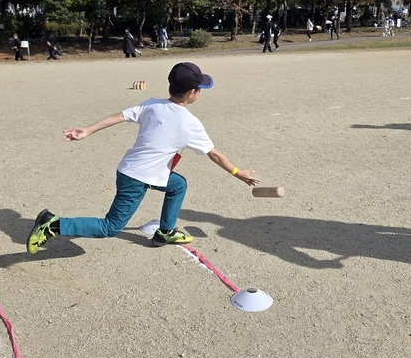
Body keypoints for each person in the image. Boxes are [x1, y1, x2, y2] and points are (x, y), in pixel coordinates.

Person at [26, 62, 261, 253]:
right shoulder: (190, 123)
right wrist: (238, 173)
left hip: (139, 170)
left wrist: (87, 130)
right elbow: (215, 154)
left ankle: (165, 232)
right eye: (199, 88)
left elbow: (120, 116)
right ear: (191, 92)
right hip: (136, 178)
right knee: (110, 227)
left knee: (177, 185)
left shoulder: (152, 105)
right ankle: (53, 224)